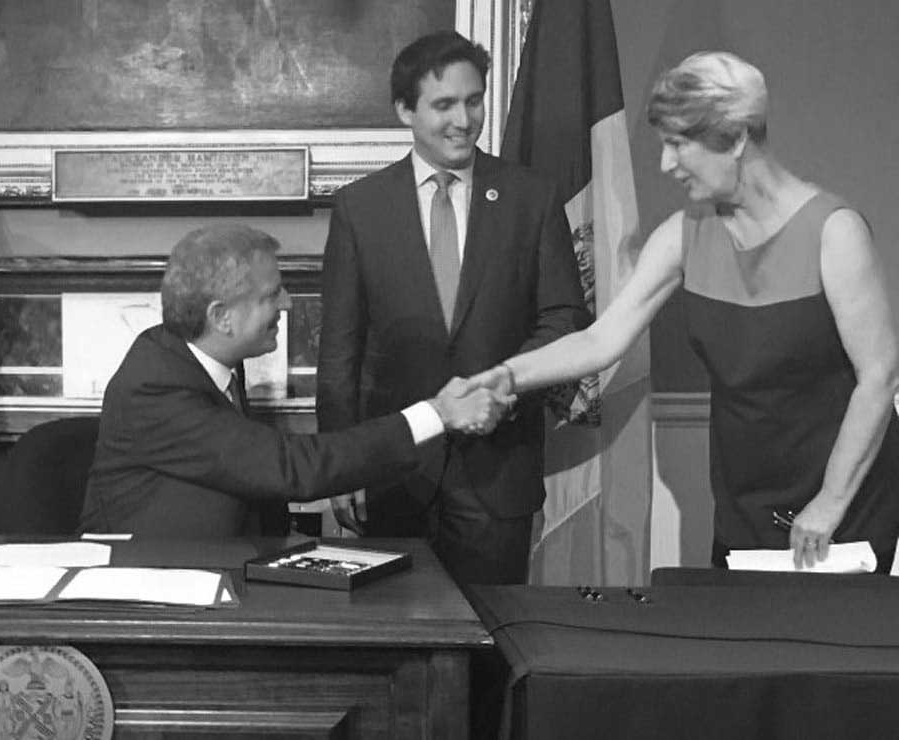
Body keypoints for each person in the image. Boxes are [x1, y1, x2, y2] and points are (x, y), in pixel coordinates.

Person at [469, 51, 899, 571]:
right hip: (744, 502)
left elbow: (879, 375)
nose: (665, 164)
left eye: (679, 144)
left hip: (841, 506)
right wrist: (503, 376)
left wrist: (830, 503)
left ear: (736, 138)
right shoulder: (682, 236)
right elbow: (600, 340)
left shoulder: (834, 231)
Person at [316, 31, 589, 584]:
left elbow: (564, 319)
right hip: (391, 472)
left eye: (474, 100)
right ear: (404, 110)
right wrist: (339, 468)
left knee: (493, 648)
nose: (464, 119)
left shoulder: (531, 197)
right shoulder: (360, 208)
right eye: (444, 105)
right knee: (396, 646)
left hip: (497, 472)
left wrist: (500, 388)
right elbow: (340, 350)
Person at [80, 223, 511, 537]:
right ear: (221, 317)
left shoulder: (205, 356)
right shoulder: (155, 386)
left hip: (220, 571)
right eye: (271, 295)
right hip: (152, 602)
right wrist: (436, 414)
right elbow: (292, 469)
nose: (286, 304)